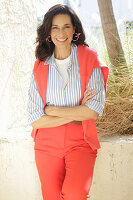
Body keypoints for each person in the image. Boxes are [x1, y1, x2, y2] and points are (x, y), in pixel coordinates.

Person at [27, 4, 109, 200]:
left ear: (75, 30)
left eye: (66, 26)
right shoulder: (40, 65)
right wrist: (76, 113)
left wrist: (52, 110)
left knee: (75, 194)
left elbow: (93, 110)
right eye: (55, 27)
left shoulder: (90, 59)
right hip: (46, 144)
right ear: (48, 31)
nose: (61, 33)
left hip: (80, 142)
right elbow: (36, 119)